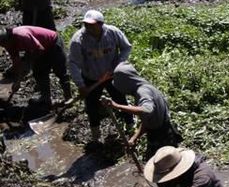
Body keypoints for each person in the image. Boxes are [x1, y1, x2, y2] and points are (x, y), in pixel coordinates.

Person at [68, 9, 133, 143]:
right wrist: (80, 85)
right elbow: (74, 63)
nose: (88, 27)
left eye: (92, 25)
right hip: (91, 77)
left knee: (120, 100)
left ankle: (130, 126)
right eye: (86, 24)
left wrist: (118, 64)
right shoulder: (78, 40)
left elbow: (126, 48)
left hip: (112, 75)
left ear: (101, 24)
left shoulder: (113, 33)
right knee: (91, 107)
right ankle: (96, 135)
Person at [104, 62, 180, 158]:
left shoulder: (142, 92)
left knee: (163, 167)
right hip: (162, 131)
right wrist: (135, 138)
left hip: (161, 137)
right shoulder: (145, 87)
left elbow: (147, 110)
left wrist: (117, 106)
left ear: (125, 83)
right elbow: (147, 119)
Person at [1, 25, 72, 106]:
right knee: (39, 73)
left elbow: (39, 49)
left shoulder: (22, 36)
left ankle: (68, 98)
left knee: (60, 71)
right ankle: (45, 99)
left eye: (3, 43)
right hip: (36, 48)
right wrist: (18, 81)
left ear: (8, 39)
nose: (3, 46)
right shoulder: (8, 45)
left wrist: (28, 63)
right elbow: (17, 63)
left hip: (52, 43)